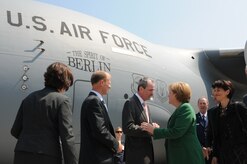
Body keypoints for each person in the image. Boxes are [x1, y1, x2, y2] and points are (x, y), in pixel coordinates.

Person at [11, 62, 77, 164]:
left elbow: (15, 131)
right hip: (47, 156)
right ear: (65, 83)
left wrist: (30, 142)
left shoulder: (29, 98)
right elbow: (67, 137)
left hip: (22, 154)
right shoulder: (62, 100)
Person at [141, 82, 205, 164]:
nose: (168, 95)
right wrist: (156, 129)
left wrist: (154, 130)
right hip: (181, 156)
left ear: (177, 94)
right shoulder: (180, 109)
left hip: (187, 156)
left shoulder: (186, 108)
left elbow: (177, 132)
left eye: (170, 93)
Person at [79, 71, 122, 164]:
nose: (110, 87)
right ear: (102, 83)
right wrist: (116, 144)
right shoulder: (93, 101)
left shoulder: (95, 100)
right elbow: (100, 130)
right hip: (97, 158)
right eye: (109, 83)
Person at [206, 80, 247, 164]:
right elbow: (213, 135)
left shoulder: (239, 107)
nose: (215, 93)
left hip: (241, 154)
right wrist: (214, 155)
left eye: (218, 90)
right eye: (214, 90)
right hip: (222, 156)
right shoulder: (212, 113)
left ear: (227, 91)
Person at [122, 77, 159, 164]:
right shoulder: (130, 103)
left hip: (146, 155)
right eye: (150, 90)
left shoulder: (146, 105)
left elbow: (145, 124)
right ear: (141, 89)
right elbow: (128, 128)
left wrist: (153, 127)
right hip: (136, 156)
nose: (152, 93)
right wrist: (148, 129)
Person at [196, 97, 211, 164]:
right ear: (198, 105)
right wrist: (201, 148)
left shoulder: (212, 117)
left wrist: (210, 148)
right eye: (200, 103)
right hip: (199, 151)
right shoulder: (194, 118)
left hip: (211, 151)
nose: (202, 105)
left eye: (204, 103)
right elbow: (193, 135)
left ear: (207, 105)